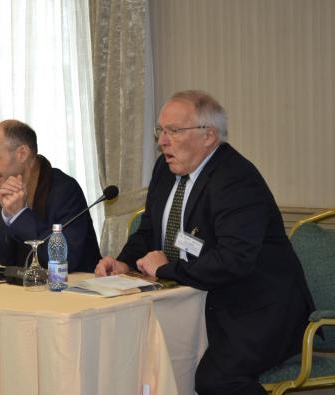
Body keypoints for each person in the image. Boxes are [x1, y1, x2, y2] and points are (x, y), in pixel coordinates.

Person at [95, 90, 314, 395]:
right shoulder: (165, 169)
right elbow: (149, 231)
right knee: (140, 356)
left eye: (174, 131)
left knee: (215, 380)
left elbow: (234, 259)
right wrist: (125, 262)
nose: (162, 141)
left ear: (209, 136)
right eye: (161, 130)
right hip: (198, 299)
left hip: (258, 308)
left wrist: (167, 269)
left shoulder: (236, 179)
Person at [0, 119, 100, 272]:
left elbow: (65, 259)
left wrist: (19, 214)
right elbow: (1, 258)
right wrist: (7, 214)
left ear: (22, 154)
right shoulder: (6, 189)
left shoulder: (64, 190)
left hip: (72, 286)